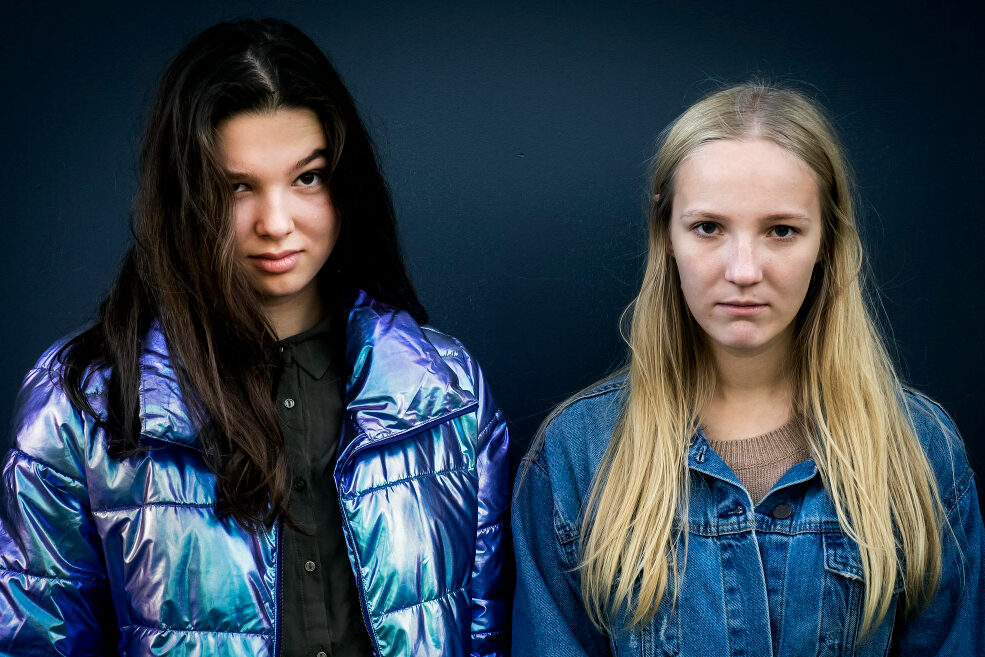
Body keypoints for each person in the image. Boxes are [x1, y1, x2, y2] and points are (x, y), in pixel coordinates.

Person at [0, 18, 510, 657]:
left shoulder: (449, 391)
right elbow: (36, 639)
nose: (275, 223)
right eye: (235, 187)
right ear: (183, 195)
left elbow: (485, 631)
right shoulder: (83, 403)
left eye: (307, 178)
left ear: (345, 183)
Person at [512, 83, 984, 656]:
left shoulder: (918, 448)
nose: (743, 270)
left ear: (827, 243)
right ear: (666, 237)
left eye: (781, 230)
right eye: (708, 227)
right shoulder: (578, 454)